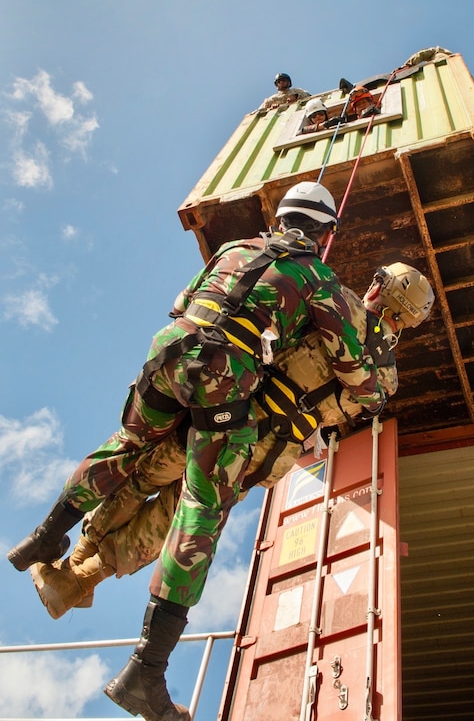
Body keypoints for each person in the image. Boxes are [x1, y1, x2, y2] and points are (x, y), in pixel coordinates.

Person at [7, 181, 387, 721]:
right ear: (324, 234)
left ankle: (42, 539)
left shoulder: (237, 248)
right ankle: (147, 670)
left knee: (125, 447)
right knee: (201, 509)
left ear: (282, 219)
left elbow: (184, 303)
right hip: (222, 374)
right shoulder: (319, 278)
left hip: (169, 350)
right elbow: (355, 371)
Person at [29, 264, 434, 620]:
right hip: (267, 454)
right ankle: (81, 581)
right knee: (175, 514)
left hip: (228, 419)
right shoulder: (387, 380)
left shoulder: (337, 301)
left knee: (146, 477)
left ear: (382, 289)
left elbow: (272, 335)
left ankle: (74, 562)